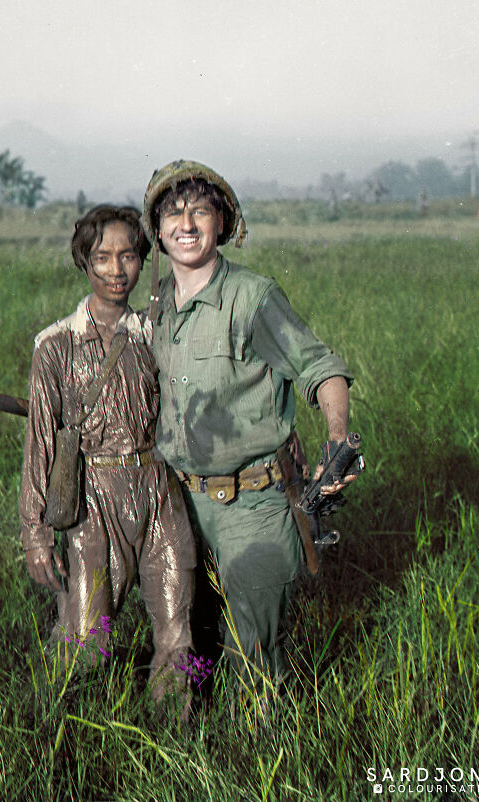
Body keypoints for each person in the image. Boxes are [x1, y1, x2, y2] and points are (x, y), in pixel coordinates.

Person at [140, 160, 359, 681]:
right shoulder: (157, 306)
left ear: (223, 223)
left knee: (255, 658)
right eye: (173, 213)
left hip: (252, 505)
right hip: (177, 504)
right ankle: (187, 747)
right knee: (189, 644)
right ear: (159, 229)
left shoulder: (253, 297)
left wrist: (337, 440)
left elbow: (321, 369)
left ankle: (254, 754)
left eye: (200, 211)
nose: (186, 224)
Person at [19, 204, 196, 703]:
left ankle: (175, 741)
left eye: (128, 257)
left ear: (143, 260)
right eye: (103, 258)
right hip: (92, 500)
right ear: (85, 261)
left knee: (176, 629)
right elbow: (40, 445)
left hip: (159, 491)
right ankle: (65, 738)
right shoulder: (56, 346)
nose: (117, 271)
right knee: (86, 640)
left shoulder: (158, 335)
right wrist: (36, 534)